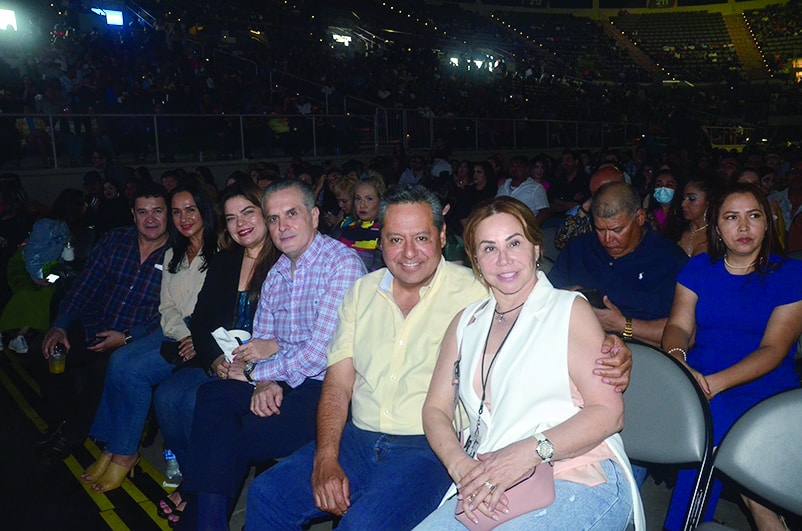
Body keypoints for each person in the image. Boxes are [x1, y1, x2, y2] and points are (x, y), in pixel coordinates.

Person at [244, 185, 632, 530]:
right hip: (368, 440)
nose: (409, 253)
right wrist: (326, 456)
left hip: (431, 451)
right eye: (395, 239)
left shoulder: (476, 291)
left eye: (421, 238)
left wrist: (615, 345)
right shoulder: (372, 295)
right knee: (265, 495)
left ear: (443, 237)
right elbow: (340, 382)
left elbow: (553, 312)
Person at [414, 197, 644, 530]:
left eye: (514, 243)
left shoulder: (568, 310)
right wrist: (459, 465)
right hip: (491, 478)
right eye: (489, 248)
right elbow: (435, 409)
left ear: (536, 249)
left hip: (576, 473)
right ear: (475, 260)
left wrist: (527, 453)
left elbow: (609, 412)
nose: (503, 259)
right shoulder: (466, 323)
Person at [174, 180, 366, 529]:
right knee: (212, 396)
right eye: (273, 218)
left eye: (291, 214)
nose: (281, 226)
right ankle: (209, 522)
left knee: (233, 434)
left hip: (331, 388)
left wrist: (254, 375)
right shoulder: (277, 273)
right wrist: (263, 379)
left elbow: (319, 354)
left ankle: (200, 517)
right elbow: (262, 337)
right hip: (285, 378)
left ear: (315, 215)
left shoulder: (342, 265)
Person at [661, 183, 802, 531]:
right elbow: (678, 327)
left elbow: (773, 350)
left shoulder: (790, 275)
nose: (743, 227)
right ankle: (764, 516)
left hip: (764, 387)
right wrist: (679, 363)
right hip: (700, 377)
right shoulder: (697, 269)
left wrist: (710, 385)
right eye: (731, 217)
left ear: (767, 223)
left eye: (753, 216)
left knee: (709, 424)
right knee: (705, 420)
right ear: (717, 227)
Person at [78, 180, 219, 492]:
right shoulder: (173, 254)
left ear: (204, 211)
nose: (183, 218)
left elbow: (219, 309)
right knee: (119, 360)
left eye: (190, 210)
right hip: (175, 334)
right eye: (177, 211)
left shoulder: (221, 252)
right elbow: (165, 306)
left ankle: (124, 453)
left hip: (202, 340)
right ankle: (115, 448)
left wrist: (193, 336)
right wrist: (182, 332)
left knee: (133, 372)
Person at [153, 181, 278, 526]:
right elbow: (203, 319)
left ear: (266, 213)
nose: (241, 224)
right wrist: (214, 360)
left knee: (200, 405)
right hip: (220, 362)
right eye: (232, 217)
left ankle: (197, 492)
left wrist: (248, 366)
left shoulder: (283, 259)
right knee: (168, 398)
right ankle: (195, 479)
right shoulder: (225, 261)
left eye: (248, 213)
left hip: (262, 369)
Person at [35, 183, 170, 462]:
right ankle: (63, 420)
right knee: (43, 352)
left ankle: (72, 434)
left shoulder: (177, 254)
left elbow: (168, 314)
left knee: (102, 370)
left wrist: (128, 336)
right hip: (96, 324)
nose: (151, 219)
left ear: (168, 214)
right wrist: (60, 325)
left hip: (135, 337)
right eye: (143, 212)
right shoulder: (114, 241)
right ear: (133, 215)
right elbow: (85, 286)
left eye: (158, 211)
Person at [549, 182, 687, 347]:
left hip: (644, 356)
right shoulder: (579, 249)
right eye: (600, 229)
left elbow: (686, 331)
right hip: (577, 347)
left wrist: (623, 325)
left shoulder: (669, 259)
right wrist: (568, 295)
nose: (607, 240)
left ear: (640, 218)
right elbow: (544, 296)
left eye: (617, 230)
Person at [336, 175, 386, 271]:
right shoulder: (346, 224)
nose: (362, 205)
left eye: (369, 199)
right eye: (358, 199)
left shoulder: (385, 231)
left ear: (381, 201)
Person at [496, 155, 549, 223]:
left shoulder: (536, 188)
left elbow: (544, 212)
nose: (514, 169)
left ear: (526, 169)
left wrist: (530, 228)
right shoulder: (503, 186)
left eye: (518, 166)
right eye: (512, 166)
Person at [677, 177, 713, 257]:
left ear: (708, 201)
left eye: (692, 198)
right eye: (684, 198)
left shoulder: (718, 234)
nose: (683, 204)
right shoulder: (676, 229)